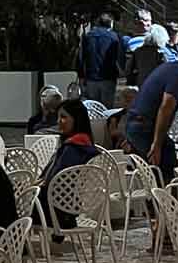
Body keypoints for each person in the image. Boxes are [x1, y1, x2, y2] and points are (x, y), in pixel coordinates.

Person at [120, 48, 178, 183]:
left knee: (162, 166)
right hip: (144, 128)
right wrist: (157, 144)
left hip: (136, 124)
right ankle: (162, 202)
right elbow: (166, 108)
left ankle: (162, 199)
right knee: (161, 174)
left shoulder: (168, 68)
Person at [39, 97, 99, 227]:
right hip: (69, 209)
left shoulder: (73, 149)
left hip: (56, 211)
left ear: (76, 119)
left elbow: (53, 182)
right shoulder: (87, 144)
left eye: (63, 117)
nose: (59, 122)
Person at [79, 12, 121, 104]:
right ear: (111, 23)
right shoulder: (114, 37)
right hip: (108, 78)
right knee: (107, 110)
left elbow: (81, 59)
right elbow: (117, 58)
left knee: (94, 110)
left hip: (91, 78)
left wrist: (81, 77)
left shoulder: (88, 36)